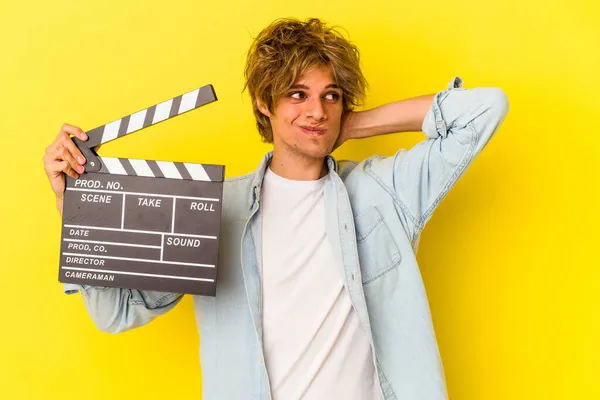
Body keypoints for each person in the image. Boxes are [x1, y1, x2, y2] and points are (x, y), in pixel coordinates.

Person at [43, 17, 508, 400]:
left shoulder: (384, 191)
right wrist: (77, 206)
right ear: (265, 103)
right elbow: (117, 313)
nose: (317, 110)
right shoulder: (215, 209)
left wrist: (349, 126)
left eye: (331, 95)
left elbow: (484, 109)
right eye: (297, 94)